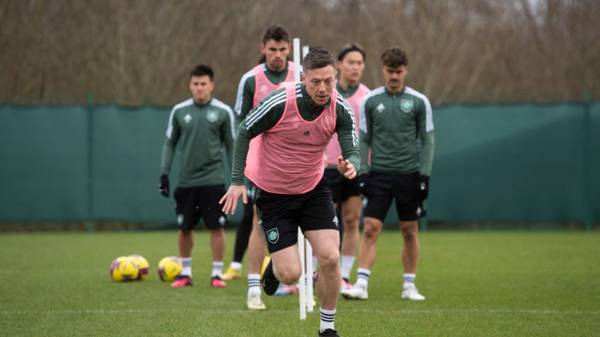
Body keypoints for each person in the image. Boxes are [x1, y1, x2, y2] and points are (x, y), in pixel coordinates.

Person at [220, 47, 359, 337]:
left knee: (330, 258)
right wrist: (236, 180)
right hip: (274, 196)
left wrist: (351, 164)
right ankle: (273, 271)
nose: (323, 88)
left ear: (335, 78)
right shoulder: (280, 102)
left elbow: (350, 143)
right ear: (303, 78)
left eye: (329, 81)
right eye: (315, 82)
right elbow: (244, 130)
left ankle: (328, 328)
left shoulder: (339, 106)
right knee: (290, 274)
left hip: (313, 190)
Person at [341, 47, 434, 301]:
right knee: (370, 227)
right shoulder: (371, 101)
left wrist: (424, 176)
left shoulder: (418, 101)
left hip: (409, 175)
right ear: (383, 70)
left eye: (399, 71)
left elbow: (427, 141)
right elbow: (363, 139)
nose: (394, 76)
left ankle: (409, 286)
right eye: (390, 71)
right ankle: (361, 283)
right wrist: (363, 172)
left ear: (406, 71)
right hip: (379, 174)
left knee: (409, 229)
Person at [220, 24, 299, 309]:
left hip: (299, 161)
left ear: (289, 49)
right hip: (263, 162)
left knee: (303, 220)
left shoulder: (300, 74)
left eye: (282, 49)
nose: (277, 55)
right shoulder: (251, 80)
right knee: (259, 220)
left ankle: (291, 276)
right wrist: (241, 170)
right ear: (262, 48)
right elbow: (240, 124)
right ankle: (253, 288)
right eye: (272, 49)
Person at [158, 64, 235, 289]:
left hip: (214, 181)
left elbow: (231, 146)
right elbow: (169, 143)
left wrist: (235, 179)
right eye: (195, 84)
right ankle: (186, 273)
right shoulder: (179, 111)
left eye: (204, 84)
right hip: (187, 182)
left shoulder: (223, 111)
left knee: (216, 228)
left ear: (211, 85)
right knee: (184, 229)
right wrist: (164, 173)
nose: (200, 88)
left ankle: (217, 274)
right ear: (190, 85)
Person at [323, 43, 370, 291]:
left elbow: (368, 135)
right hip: (327, 167)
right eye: (350, 62)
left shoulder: (367, 96)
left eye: (360, 63)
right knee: (324, 222)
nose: (355, 67)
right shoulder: (325, 92)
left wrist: (365, 166)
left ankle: (344, 275)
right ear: (339, 64)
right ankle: (317, 272)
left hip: (354, 168)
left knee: (352, 221)